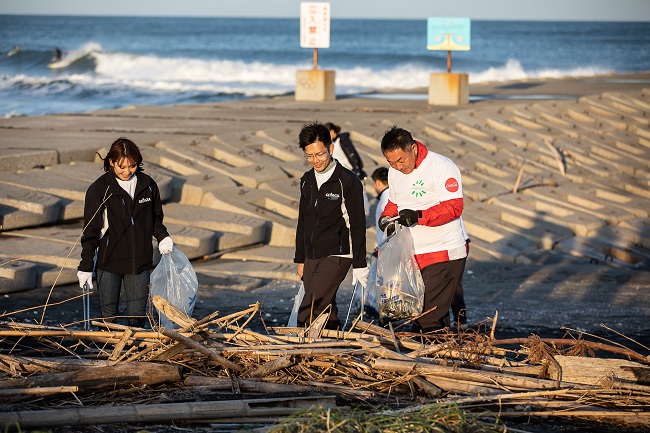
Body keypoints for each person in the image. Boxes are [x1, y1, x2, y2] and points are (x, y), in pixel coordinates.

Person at [378, 126, 468, 333]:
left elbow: (454, 207)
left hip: (444, 252)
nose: (398, 166)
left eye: (401, 160)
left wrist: (419, 216)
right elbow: (394, 202)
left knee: (428, 317)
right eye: (391, 162)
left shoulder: (441, 166)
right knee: (420, 314)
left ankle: (431, 358)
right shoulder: (394, 172)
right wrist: (385, 218)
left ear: (413, 147)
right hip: (412, 254)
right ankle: (439, 357)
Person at [77, 137, 173, 328]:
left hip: (140, 262)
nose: (127, 171)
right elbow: (91, 230)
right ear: (111, 162)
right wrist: (86, 265)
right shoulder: (99, 190)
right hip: (109, 262)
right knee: (108, 318)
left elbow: (155, 220)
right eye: (122, 166)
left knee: (138, 318)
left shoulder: (148, 185)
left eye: (132, 166)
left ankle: (135, 355)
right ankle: (107, 355)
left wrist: (163, 237)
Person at [294, 122, 368, 330]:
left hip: (339, 253)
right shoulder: (306, 180)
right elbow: (303, 221)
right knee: (326, 307)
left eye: (320, 154)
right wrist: (300, 258)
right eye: (310, 156)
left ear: (331, 148)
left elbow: (358, 225)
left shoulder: (347, 180)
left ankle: (302, 349)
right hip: (312, 253)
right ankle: (333, 347)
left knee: (311, 306)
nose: (315, 160)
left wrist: (360, 264)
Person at [371, 167, 390, 246]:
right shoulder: (391, 195)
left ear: (378, 182)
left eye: (374, 183)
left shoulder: (385, 200)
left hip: (386, 245)